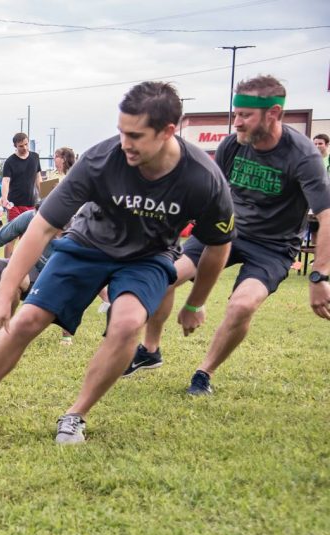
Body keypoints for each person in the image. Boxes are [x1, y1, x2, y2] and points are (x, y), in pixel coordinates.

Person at [0, 81, 235, 444]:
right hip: (86, 244)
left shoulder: (203, 178)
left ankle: (76, 415)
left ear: (169, 131)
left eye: (135, 135)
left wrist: (196, 302)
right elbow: (40, 227)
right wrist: (4, 292)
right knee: (28, 319)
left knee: (127, 323)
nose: (125, 143)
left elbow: (217, 246)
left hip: (148, 258)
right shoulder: (101, 159)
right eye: (121, 131)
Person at [125, 75, 330, 393]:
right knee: (163, 274)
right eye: (236, 114)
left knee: (242, 305)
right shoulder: (233, 145)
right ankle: (150, 350)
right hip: (223, 232)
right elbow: (209, 195)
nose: (237, 123)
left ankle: (203, 373)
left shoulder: (303, 156)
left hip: (272, 248)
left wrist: (319, 277)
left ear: (273, 113)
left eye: (245, 115)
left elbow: (327, 215)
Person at [0, 132, 41, 257]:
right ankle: (5, 265)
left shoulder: (35, 157)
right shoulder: (10, 161)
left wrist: (45, 196)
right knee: (11, 237)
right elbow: (6, 181)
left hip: (31, 205)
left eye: (26, 144)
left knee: (27, 239)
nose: (25, 148)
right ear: (15, 146)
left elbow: (38, 178)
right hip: (14, 205)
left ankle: (25, 268)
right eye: (21, 146)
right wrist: (4, 198)